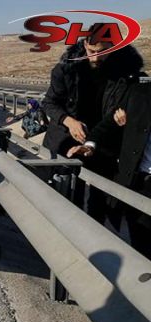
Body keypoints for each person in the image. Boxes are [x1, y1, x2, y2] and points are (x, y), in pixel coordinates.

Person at [41, 23, 144, 223]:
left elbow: (138, 100)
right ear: (85, 44)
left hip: (102, 142)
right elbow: (49, 103)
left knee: (100, 201)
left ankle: (95, 238)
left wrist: (127, 114)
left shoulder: (126, 73)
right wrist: (69, 121)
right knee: (66, 196)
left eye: (103, 52)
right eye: (91, 51)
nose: (95, 57)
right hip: (65, 141)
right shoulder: (65, 70)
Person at [67, 77, 151, 259]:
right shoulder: (138, 93)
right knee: (142, 247)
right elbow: (107, 126)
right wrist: (89, 146)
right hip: (141, 184)